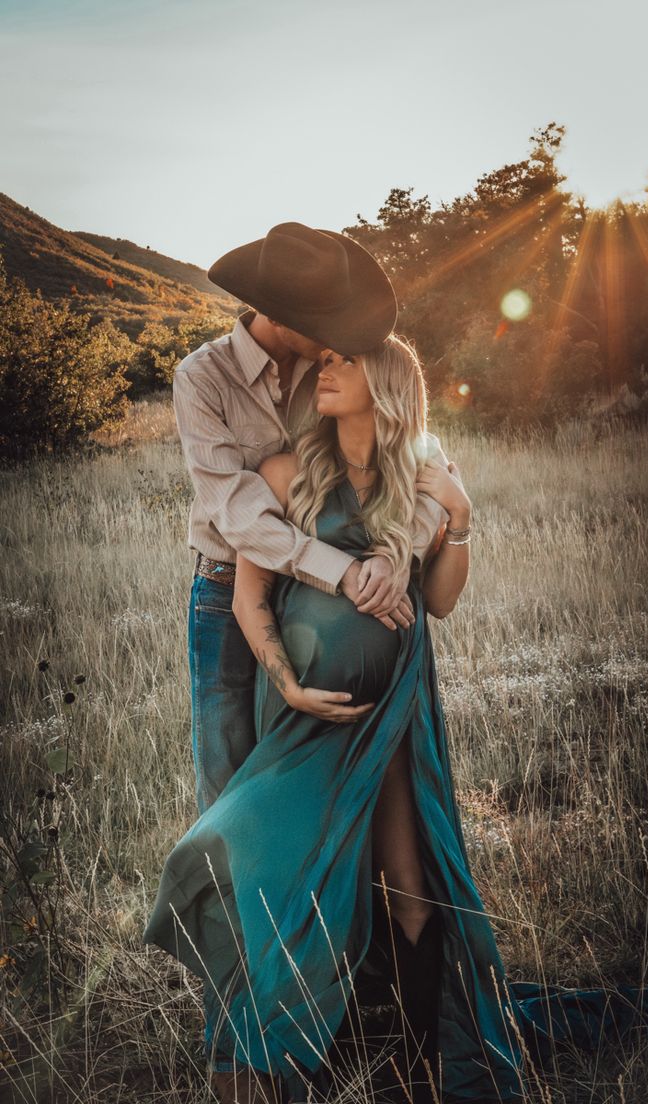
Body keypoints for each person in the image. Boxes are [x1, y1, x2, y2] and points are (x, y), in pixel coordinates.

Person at [144, 336, 648, 1104]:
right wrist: (289, 685)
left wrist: (460, 518)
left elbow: (442, 600)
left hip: (396, 711)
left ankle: (430, 1069)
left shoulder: (416, 481)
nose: (325, 369)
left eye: (343, 361)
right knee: (269, 864)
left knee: (408, 876)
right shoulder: (287, 474)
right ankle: (253, 1059)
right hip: (305, 718)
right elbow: (251, 598)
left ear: (385, 383)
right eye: (322, 360)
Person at [167, 222, 449, 1097]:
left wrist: (405, 551)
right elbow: (245, 515)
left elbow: (420, 462)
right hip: (232, 601)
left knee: (359, 826)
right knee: (241, 808)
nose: (335, 341)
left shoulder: (333, 371)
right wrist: (351, 575)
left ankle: (349, 1012)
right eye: (320, 322)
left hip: (332, 609)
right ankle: (242, 1044)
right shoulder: (203, 379)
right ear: (279, 314)